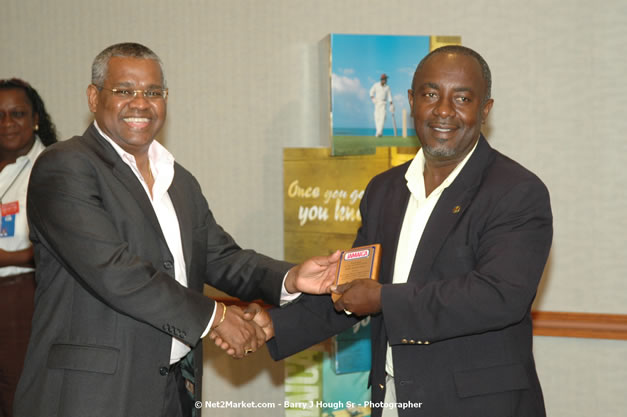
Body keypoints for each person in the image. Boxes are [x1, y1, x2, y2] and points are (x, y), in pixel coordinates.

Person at [13, 42, 339, 417]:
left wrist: (291, 277)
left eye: (153, 92)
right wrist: (216, 317)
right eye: (124, 91)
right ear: (93, 97)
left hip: (174, 390)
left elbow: (221, 257)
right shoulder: (65, 166)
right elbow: (114, 271)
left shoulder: (178, 180)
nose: (141, 103)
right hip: (92, 394)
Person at [245, 46, 553, 417]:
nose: (443, 110)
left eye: (462, 98)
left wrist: (384, 300)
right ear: (411, 101)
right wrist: (273, 326)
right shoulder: (384, 189)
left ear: (484, 110)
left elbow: (498, 296)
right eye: (430, 94)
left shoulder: (516, 191)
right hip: (392, 399)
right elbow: (355, 287)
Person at [0, 78, 57, 417]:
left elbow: (63, 247)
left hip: (23, 298)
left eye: (17, 113)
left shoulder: (53, 166)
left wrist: (5, 258)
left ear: (36, 118)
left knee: (19, 397)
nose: (7, 123)